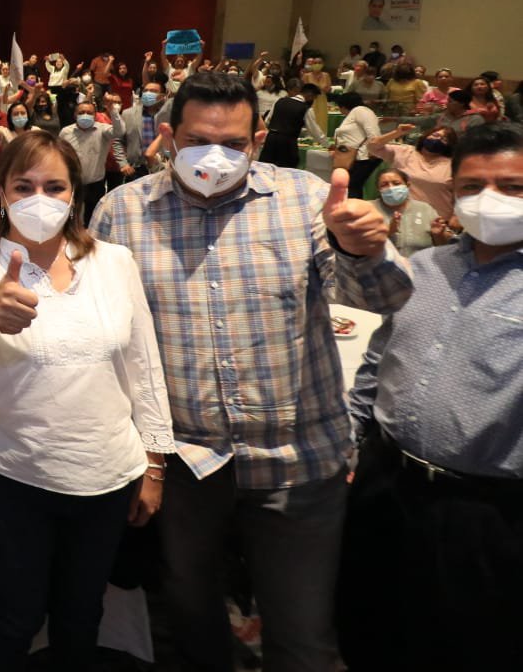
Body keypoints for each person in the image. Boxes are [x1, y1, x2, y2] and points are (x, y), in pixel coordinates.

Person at [90, 72, 413, 672]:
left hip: (297, 460)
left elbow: (384, 299)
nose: (215, 157)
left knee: (303, 635)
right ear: (168, 135)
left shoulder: (304, 199)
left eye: (233, 144)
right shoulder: (122, 212)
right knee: (192, 618)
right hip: (186, 462)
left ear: (258, 140)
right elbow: (106, 335)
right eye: (197, 141)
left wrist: (362, 251)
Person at [0, 131, 173, 669]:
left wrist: (155, 463)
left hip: (106, 473)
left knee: (81, 610)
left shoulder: (113, 262)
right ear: (0, 192)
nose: (40, 200)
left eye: (54, 187)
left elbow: (143, 363)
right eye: (23, 187)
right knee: (13, 614)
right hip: (15, 475)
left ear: (74, 195)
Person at [340, 122, 523, 669]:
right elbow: (378, 362)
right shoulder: (422, 268)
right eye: (471, 186)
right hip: (385, 483)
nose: (488, 198)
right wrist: (351, 441)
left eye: (511, 186)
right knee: (367, 628)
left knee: (464, 645)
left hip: (485, 510)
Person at [367, 123, 456, 218]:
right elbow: (372, 147)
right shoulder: (404, 152)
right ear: (426, 136)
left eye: (444, 139)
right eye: (435, 135)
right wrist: (397, 132)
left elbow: (461, 193)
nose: (437, 139)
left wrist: (456, 216)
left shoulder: (453, 165)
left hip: (438, 217)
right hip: (402, 216)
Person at [59, 98, 124, 226]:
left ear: (95, 115)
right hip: (73, 183)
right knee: (70, 218)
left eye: (89, 113)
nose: (85, 115)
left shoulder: (103, 130)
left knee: (93, 220)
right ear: (75, 115)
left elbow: (120, 131)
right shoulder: (66, 132)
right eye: (81, 112)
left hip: (95, 184)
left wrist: (113, 111)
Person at [369, 168, 442, 258]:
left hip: (420, 265)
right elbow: (359, 248)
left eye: (396, 183)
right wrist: (388, 233)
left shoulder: (424, 209)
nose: (391, 188)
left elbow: (443, 247)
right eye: (384, 185)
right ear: (378, 189)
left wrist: (439, 235)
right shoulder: (368, 209)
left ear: (407, 185)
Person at [261, 83, 327, 169]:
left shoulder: (280, 101)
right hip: (287, 142)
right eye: (314, 98)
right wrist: (327, 144)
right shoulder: (306, 108)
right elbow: (314, 130)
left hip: (271, 139)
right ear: (310, 95)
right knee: (286, 171)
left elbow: (267, 121)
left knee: (266, 169)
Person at [333, 90, 384, 198]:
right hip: (358, 156)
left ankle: (354, 207)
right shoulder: (356, 113)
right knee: (353, 186)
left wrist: (373, 150)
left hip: (364, 156)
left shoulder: (361, 111)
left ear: (343, 106)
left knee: (352, 186)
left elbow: (373, 133)